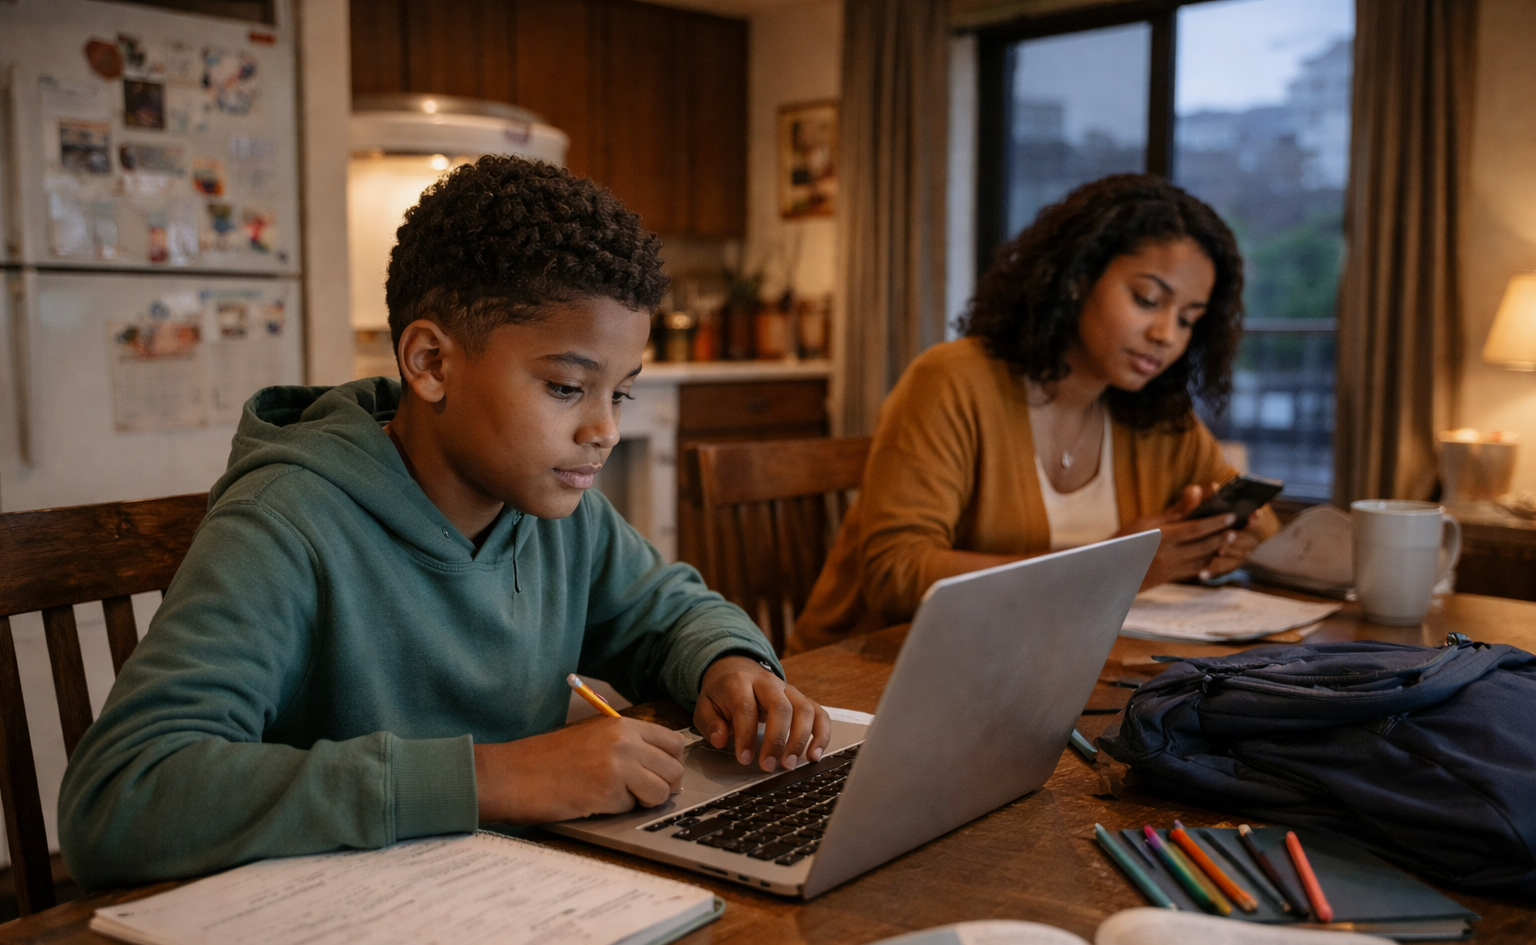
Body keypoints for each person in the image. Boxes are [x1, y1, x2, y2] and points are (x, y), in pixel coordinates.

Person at [60, 157, 830, 890]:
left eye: (620, 394)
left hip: (509, 895)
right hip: (332, 928)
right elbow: (121, 796)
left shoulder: (559, 512)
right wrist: (499, 776)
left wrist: (730, 667)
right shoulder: (285, 526)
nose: (605, 430)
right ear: (430, 363)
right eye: (567, 386)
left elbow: (669, 614)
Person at [790, 174, 1279, 654]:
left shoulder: (1156, 415)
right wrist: (1107, 569)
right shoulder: (952, 381)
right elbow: (894, 574)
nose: (1166, 334)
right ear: (1077, 278)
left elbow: (1262, 519)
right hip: (863, 683)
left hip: (1036, 666)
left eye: (1188, 319)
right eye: (1147, 300)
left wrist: (1226, 542)